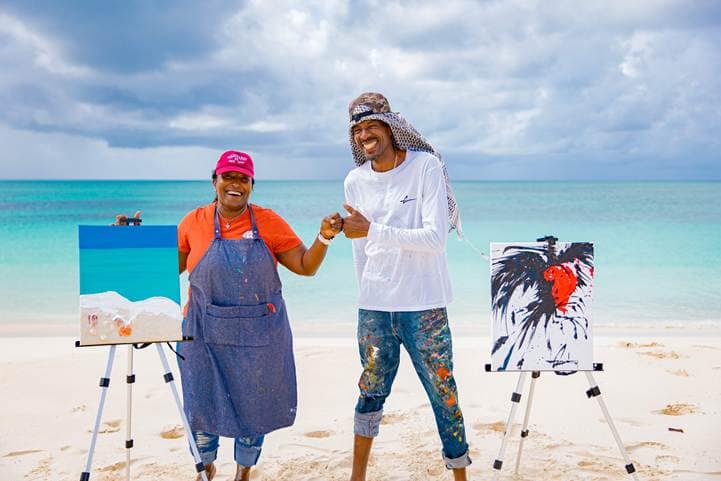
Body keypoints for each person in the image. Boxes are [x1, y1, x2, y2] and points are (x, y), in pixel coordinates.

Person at [175, 150, 340, 481]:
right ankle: (205, 467)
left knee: (254, 406)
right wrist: (127, 238)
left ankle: (244, 471)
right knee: (201, 405)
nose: (235, 184)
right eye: (228, 177)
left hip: (258, 335)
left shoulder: (268, 221)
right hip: (202, 333)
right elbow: (164, 271)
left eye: (243, 179)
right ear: (215, 181)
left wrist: (324, 236)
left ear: (252, 185)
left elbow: (305, 266)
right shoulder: (194, 221)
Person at [333, 92, 470, 481]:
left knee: (444, 395)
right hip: (374, 308)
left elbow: (435, 238)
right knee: (370, 392)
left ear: (391, 126)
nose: (364, 136)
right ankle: (357, 477)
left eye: (371, 126)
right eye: (357, 130)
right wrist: (366, 298)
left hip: (424, 306)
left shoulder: (426, 167)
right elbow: (360, 250)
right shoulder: (355, 181)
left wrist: (373, 229)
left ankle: (460, 475)